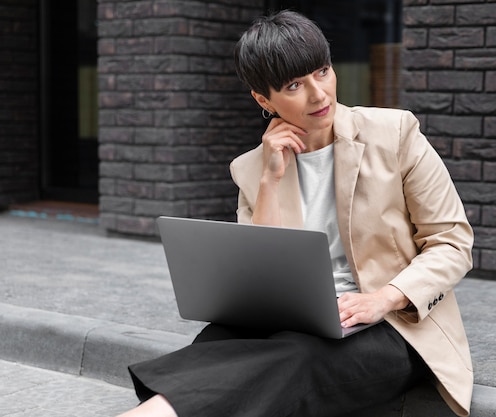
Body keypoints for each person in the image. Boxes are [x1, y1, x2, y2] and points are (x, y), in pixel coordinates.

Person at [117, 10, 474, 417]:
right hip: (302, 317)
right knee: (216, 339)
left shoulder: (395, 134)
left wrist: (383, 298)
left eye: (322, 72)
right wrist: (271, 180)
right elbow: (260, 277)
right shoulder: (251, 168)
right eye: (293, 85)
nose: (318, 94)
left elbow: (453, 243)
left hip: (393, 323)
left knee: (298, 355)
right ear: (263, 100)